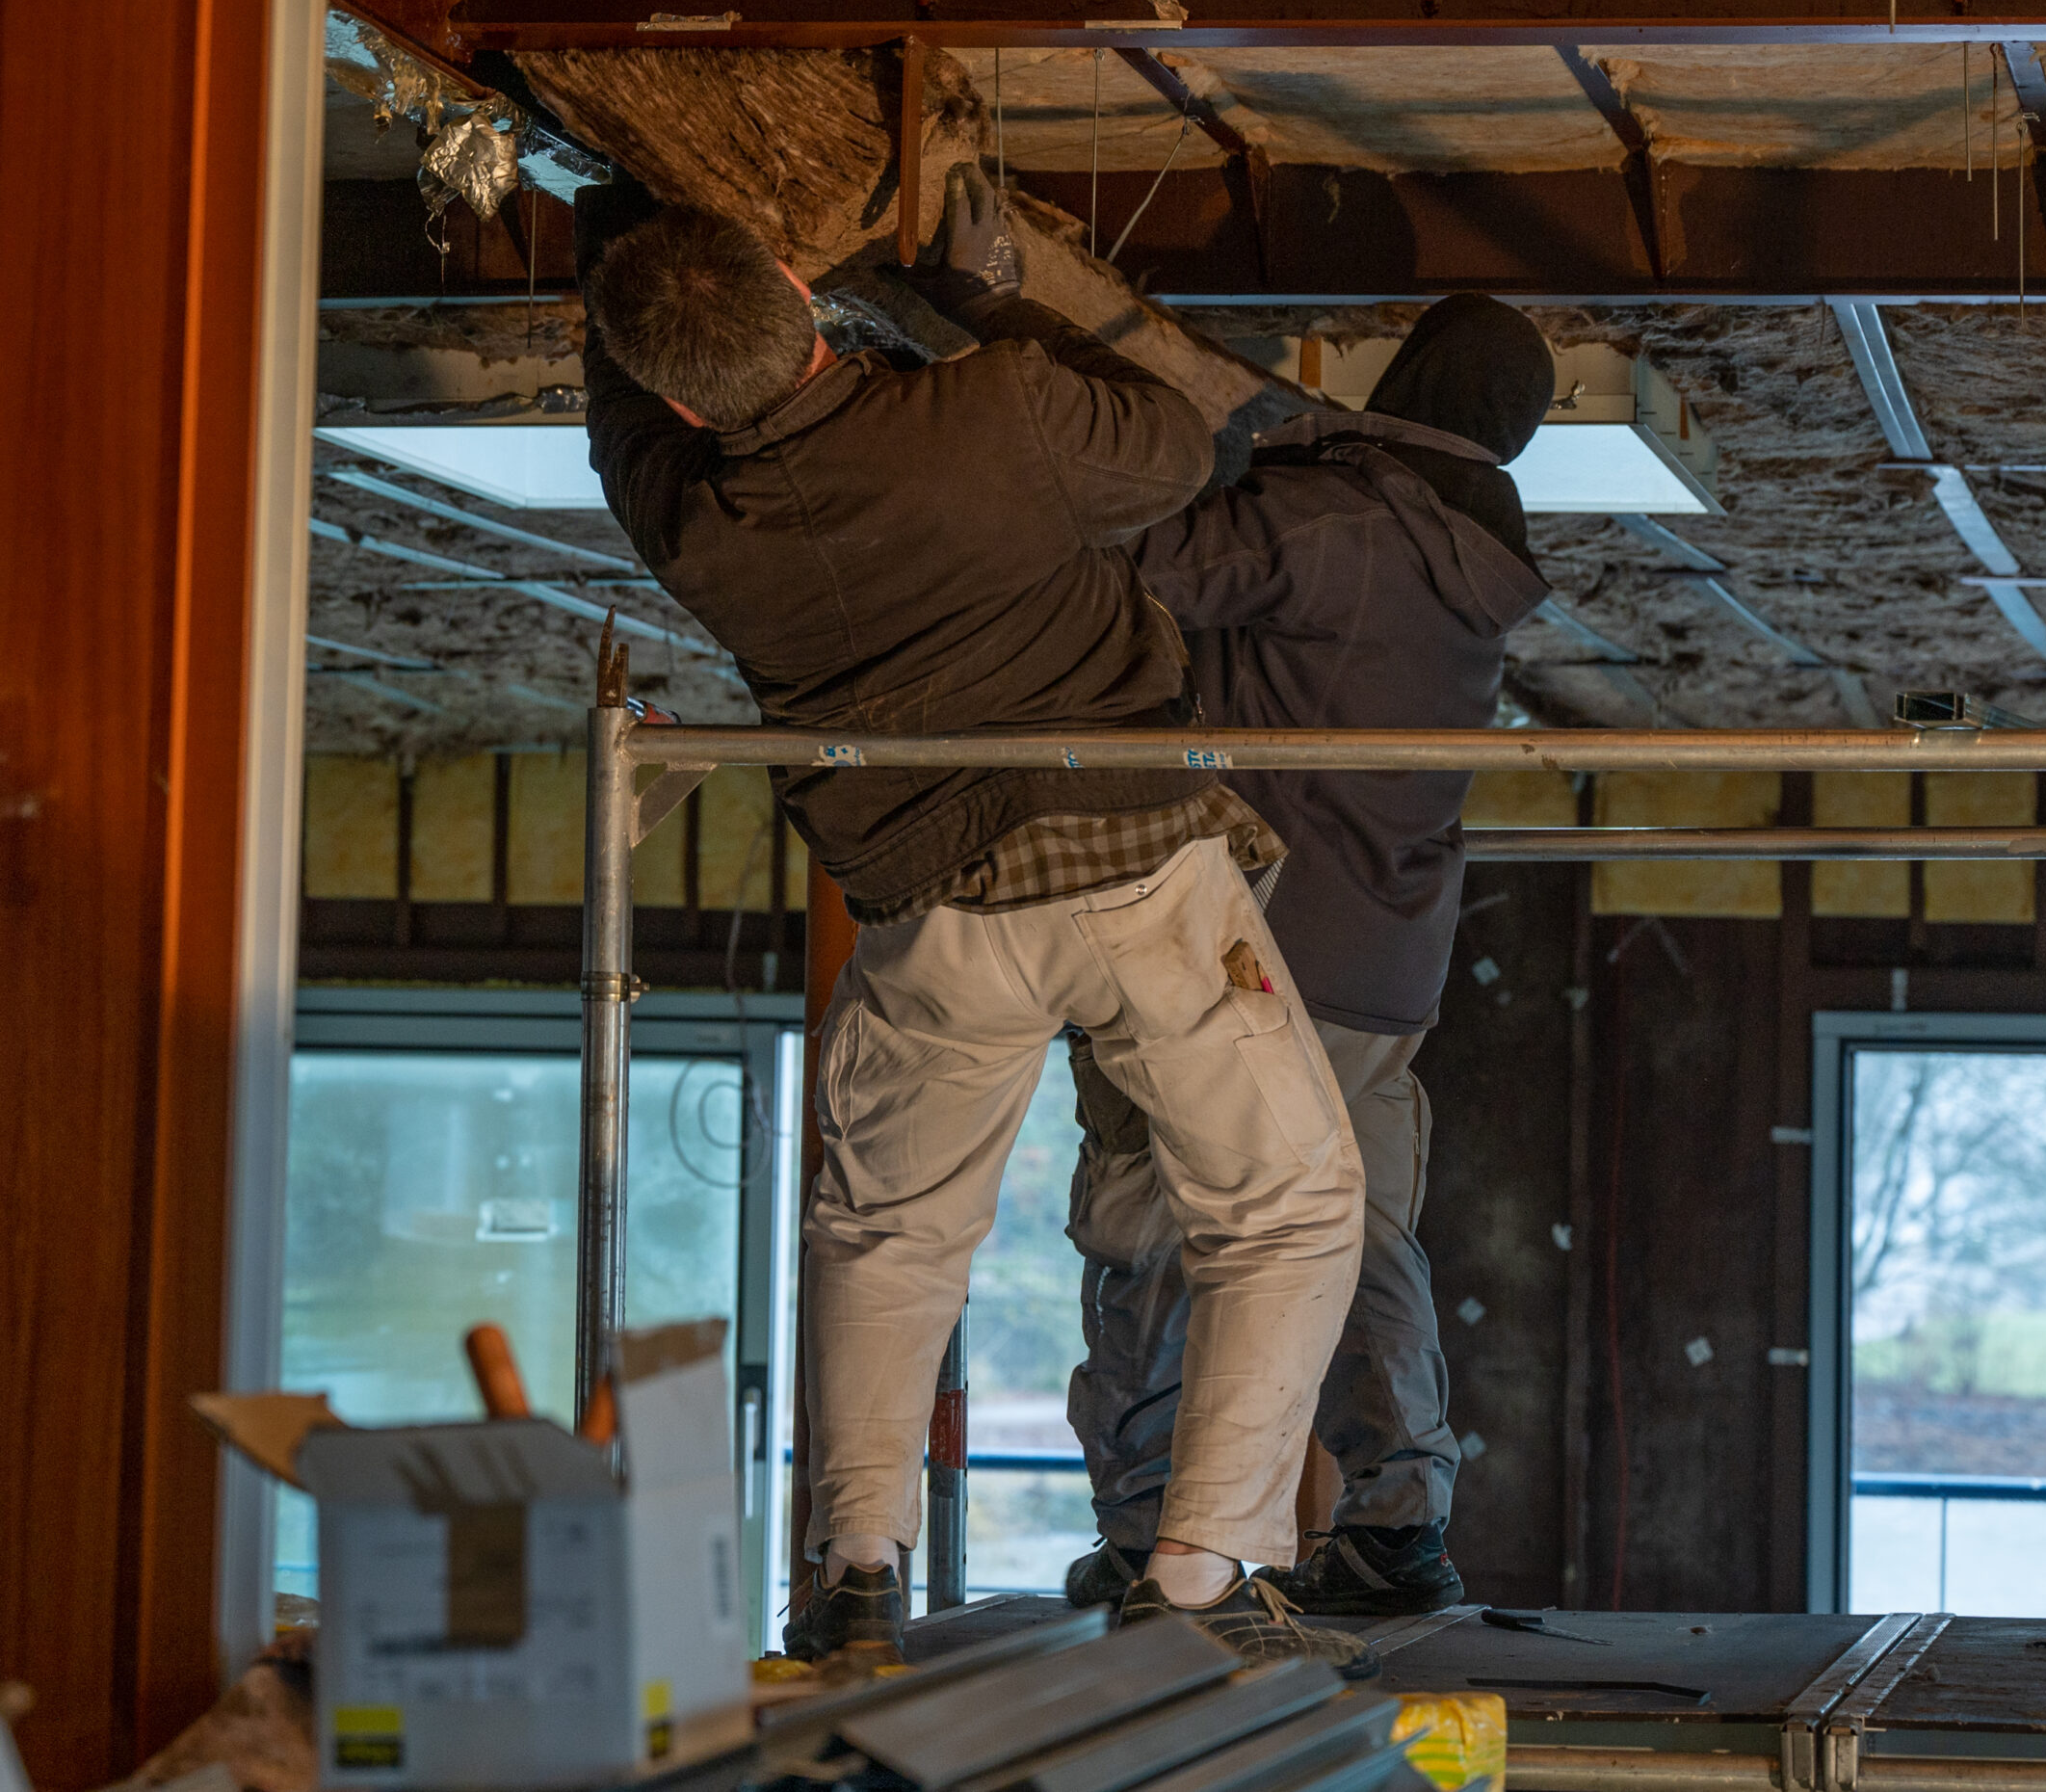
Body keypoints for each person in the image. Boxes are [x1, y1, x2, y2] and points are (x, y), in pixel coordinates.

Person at [582, 165, 1372, 1675]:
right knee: (1290, 1203)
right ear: (807, 295)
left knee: (889, 1230)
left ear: (678, 409)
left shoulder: (692, 519)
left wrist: (604, 248)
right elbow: (1176, 441)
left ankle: (856, 1569)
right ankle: (1202, 1567)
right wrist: (979, 308)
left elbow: (625, 415)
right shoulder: (991, 411)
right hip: (1130, 865)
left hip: (933, 917)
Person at [1065, 294, 1556, 1618]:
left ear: (1410, 376)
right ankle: (1396, 1522)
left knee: (1156, 1207)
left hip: (1250, 945)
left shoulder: (1340, 518)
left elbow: (1142, 555)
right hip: (1383, 964)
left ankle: (1148, 1526)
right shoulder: (1468, 562)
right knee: (1357, 1238)